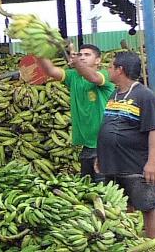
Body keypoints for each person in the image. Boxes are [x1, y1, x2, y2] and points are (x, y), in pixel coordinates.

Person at [96, 50, 155, 238]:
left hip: (134, 164)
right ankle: (129, 243)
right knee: (120, 206)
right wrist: (100, 156)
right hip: (112, 164)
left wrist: (152, 162)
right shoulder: (114, 94)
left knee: (148, 206)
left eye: (110, 66)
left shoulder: (144, 95)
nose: (107, 70)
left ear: (120, 70)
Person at [38, 44, 112, 178]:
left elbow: (93, 78)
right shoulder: (73, 77)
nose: (82, 57)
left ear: (98, 60)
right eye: (80, 54)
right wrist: (39, 50)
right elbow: (50, 70)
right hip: (88, 146)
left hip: (105, 145)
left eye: (87, 55)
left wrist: (76, 61)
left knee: (105, 191)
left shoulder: (105, 75)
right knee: (88, 187)